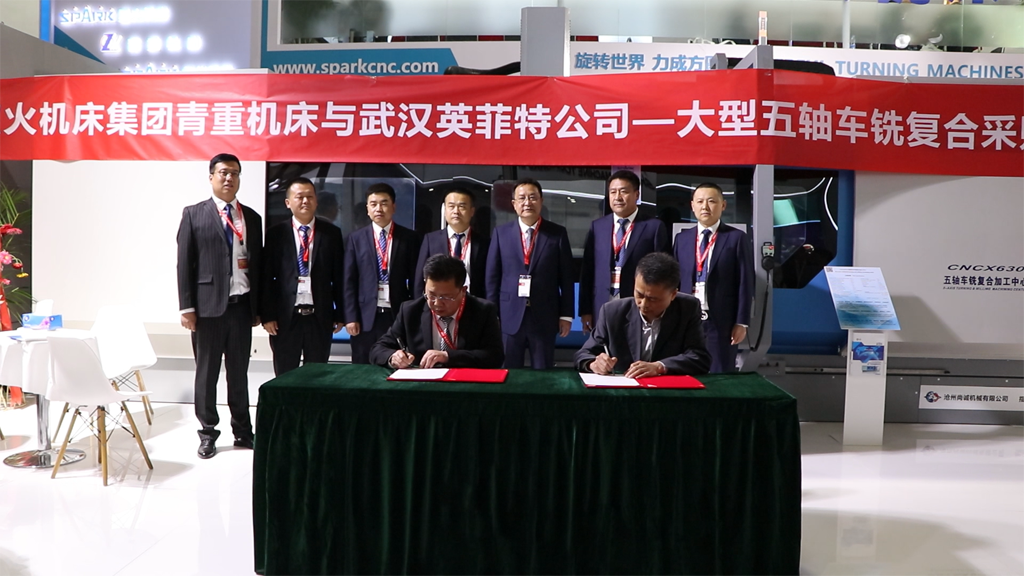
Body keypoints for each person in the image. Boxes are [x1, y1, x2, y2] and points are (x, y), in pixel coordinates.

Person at [176, 153, 262, 459]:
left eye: (234, 173)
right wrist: (187, 307)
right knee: (207, 374)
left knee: (239, 374)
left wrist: (258, 308)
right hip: (207, 310)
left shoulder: (252, 218)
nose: (229, 178)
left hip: (241, 307)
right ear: (211, 176)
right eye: (223, 172)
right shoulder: (193, 214)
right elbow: (184, 264)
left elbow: (258, 264)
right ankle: (208, 433)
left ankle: (243, 431)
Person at [485, 178, 574, 369]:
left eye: (533, 197)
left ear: (541, 201)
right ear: (514, 204)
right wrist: (493, 315)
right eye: (522, 198)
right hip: (509, 314)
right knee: (508, 370)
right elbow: (492, 278)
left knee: (543, 371)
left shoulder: (557, 234)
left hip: (544, 315)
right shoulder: (501, 233)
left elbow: (566, 278)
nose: (527, 202)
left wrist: (566, 315)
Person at [260, 177, 345, 376]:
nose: (305, 201)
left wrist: (340, 314)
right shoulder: (275, 234)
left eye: (310, 197)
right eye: (299, 197)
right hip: (285, 318)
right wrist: (268, 316)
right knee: (285, 374)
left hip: (319, 317)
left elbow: (339, 277)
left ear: (316, 201)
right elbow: (266, 278)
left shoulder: (332, 233)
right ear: (288, 202)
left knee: (317, 375)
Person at [575, 253, 710, 377]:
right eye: (639, 294)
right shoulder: (612, 312)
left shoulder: (687, 308)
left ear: (673, 294)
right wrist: (594, 363)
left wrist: (659, 367)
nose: (644, 304)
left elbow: (700, 358)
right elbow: (584, 354)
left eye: (653, 299)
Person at [673, 183, 753, 373]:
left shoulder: (736, 238)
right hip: (687, 319)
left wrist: (741, 322)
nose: (705, 207)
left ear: (723, 205)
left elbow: (745, 282)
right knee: (686, 371)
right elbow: (674, 280)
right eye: (700, 201)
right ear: (692, 205)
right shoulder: (681, 239)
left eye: (711, 201)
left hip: (721, 321)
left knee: (720, 372)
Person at [370, 254, 504, 368]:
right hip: (423, 384)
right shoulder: (410, 311)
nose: (437, 303)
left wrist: (448, 356)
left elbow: (495, 356)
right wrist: (393, 357)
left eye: (446, 297)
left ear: (463, 291)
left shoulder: (483, 311)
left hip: (466, 384)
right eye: (431, 295)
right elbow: (377, 349)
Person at [579, 170, 670, 334]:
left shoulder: (654, 227)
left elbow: (663, 272)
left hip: (640, 304)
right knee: (604, 347)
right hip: (602, 303)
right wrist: (585, 310)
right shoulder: (598, 227)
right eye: (613, 192)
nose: (617, 197)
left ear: (637, 194)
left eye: (623, 191)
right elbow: (587, 271)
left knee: (637, 347)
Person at [343, 183, 421, 364]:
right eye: (373, 204)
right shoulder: (355, 239)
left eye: (384, 203)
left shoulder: (409, 238)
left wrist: (414, 316)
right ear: (367, 209)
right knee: (362, 366)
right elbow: (349, 281)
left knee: (398, 364)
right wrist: (351, 317)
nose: (379, 209)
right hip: (365, 317)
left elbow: (416, 281)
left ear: (393, 207)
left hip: (397, 314)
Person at [413, 189, 489, 298]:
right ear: (445, 210)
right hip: (440, 302)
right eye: (451, 206)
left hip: (473, 302)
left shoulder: (484, 243)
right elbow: (420, 279)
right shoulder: (431, 240)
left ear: (472, 211)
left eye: (462, 207)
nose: (456, 211)